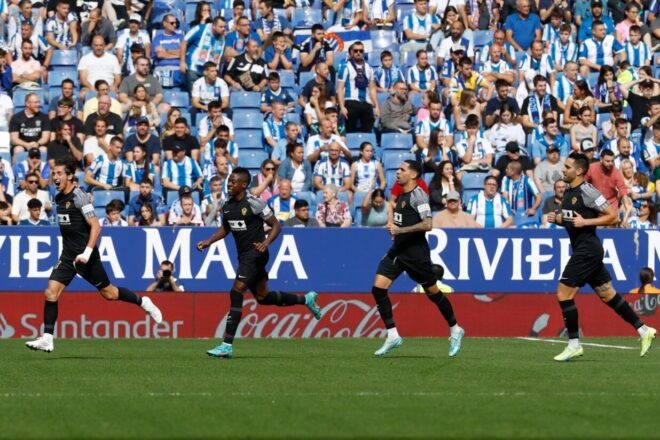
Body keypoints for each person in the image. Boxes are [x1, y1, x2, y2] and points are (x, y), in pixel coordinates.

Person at [25, 157, 162, 353]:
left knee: (109, 293)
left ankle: (144, 302)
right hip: (68, 256)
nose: (55, 177)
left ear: (70, 176)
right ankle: (47, 338)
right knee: (50, 292)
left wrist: (87, 252)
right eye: (53, 173)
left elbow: (96, 226)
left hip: (86, 256)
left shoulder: (79, 196)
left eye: (59, 173)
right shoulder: (58, 198)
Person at [196, 167, 322, 358]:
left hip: (256, 253)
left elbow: (276, 225)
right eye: (228, 181)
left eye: (233, 182)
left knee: (236, 290)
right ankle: (306, 300)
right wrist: (208, 241)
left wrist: (265, 243)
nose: (229, 184)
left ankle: (226, 344)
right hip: (245, 256)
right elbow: (225, 228)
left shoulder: (254, 203)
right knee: (263, 297)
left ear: (244, 185)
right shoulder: (228, 205)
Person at [546, 152, 656, 361]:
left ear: (579, 170)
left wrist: (585, 223)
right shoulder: (570, 192)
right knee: (607, 294)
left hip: (587, 250)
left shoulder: (587, 190)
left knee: (563, 294)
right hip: (586, 249)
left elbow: (612, 216)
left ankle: (574, 344)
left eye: (567, 167)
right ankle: (643, 330)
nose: (563, 170)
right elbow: (576, 217)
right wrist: (559, 218)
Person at [370, 160, 463, 357]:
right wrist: (396, 232)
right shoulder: (402, 195)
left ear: (413, 175)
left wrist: (400, 230)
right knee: (378, 289)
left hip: (415, 255)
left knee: (433, 293)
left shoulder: (418, 195)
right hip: (398, 251)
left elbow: (428, 224)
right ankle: (393, 335)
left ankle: (455, 329)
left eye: (402, 169)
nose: (397, 172)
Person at [337, 41, 380, 133]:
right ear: (351, 52)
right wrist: (342, 107)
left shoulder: (369, 68)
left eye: (361, 51)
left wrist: (376, 106)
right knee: (350, 131)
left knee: (367, 131)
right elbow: (340, 89)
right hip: (351, 101)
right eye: (355, 51)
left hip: (366, 103)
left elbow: (372, 88)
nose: (358, 53)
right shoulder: (345, 67)